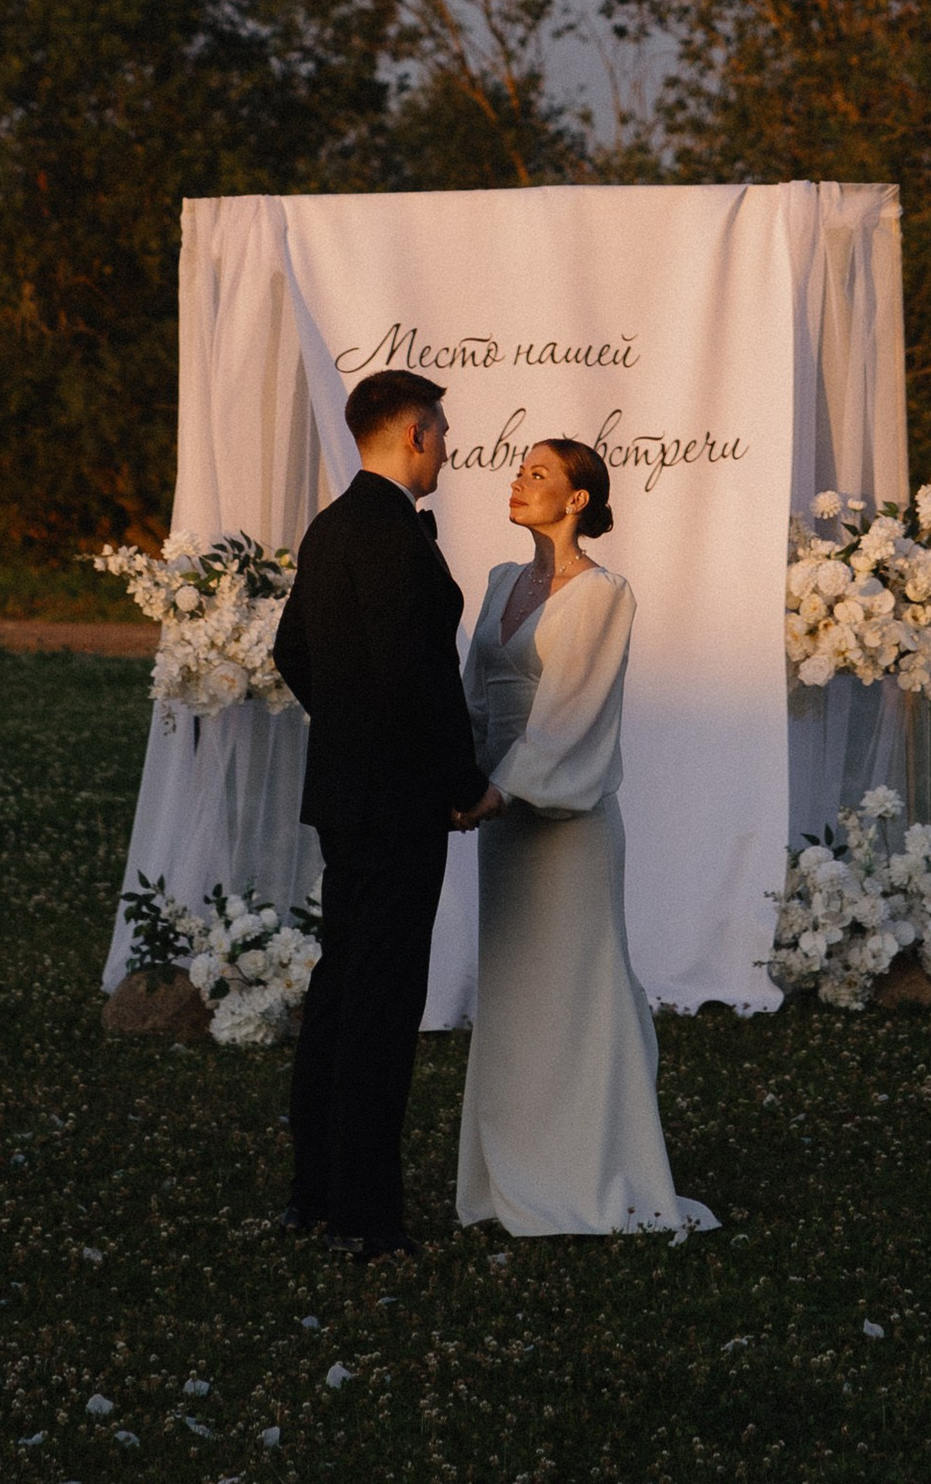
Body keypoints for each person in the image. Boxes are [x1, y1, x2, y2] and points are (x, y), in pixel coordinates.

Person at [456, 435, 714, 1237]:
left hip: (564, 823)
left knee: (577, 991)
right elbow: (473, 697)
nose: (518, 481)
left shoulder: (604, 593)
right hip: (500, 819)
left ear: (576, 500)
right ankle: (512, 1175)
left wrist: (502, 788)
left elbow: (573, 708)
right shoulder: (500, 582)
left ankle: (590, 1172)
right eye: (518, 470)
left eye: (537, 474)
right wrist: (458, 780)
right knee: (514, 994)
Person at [272, 367, 500, 1254]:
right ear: (413, 433)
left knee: (339, 991)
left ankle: (315, 1195)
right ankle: (365, 1219)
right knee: (381, 1005)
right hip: (400, 804)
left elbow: (294, 650)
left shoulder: (330, 526)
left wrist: (350, 730)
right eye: (441, 431)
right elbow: (419, 681)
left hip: (343, 795)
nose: (447, 447)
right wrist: (462, 784)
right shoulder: (396, 538)